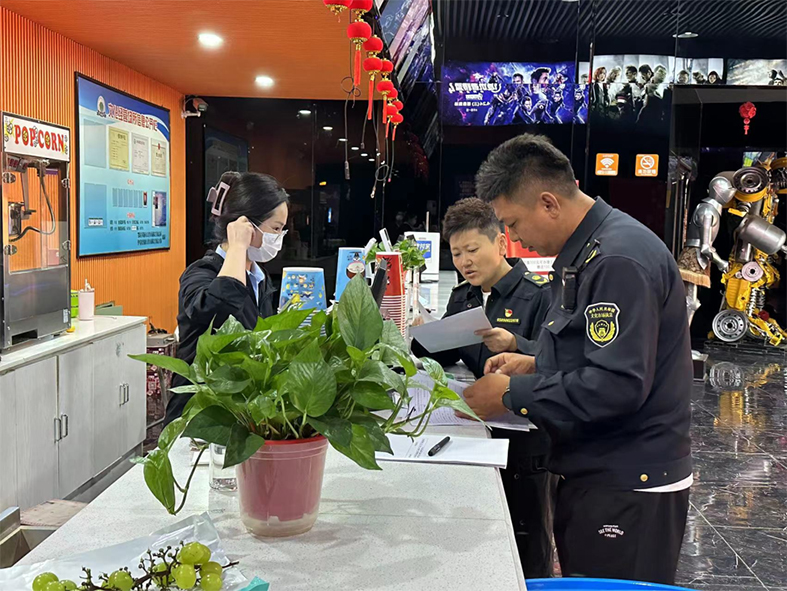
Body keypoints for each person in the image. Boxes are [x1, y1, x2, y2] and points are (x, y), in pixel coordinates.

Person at [465, 134, 692, 585]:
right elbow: (593, 350)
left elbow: (618, 385)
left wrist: (513, 394)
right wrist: (535, 364)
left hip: (627, 482)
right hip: (596, 468)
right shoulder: (590, 251)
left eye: (513, 223)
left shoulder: (617, 259)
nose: (514, 237)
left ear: (548, 203)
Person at [411, 197, 556, 577]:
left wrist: (516, 344)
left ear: (501, 243)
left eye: (473, 250)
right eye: (457, 253)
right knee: (480, 535)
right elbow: (444, 351)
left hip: (525, 438)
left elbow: (557, 360)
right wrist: (420, 336)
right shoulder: (464, 297)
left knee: (528, 537)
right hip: (477, 428)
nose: (465, 261)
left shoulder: (540, 295)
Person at [165, 171, 289, 424]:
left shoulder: (259, 278)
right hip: (200, 413)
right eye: (276, 228)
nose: (279, 237)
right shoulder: (201, 273)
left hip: (241, 412)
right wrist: (238, 247)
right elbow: (220, 310)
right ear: (245, 225)